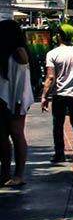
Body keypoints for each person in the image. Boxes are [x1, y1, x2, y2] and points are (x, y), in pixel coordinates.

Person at [42, 23, 73, 164]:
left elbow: (50, 77)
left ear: (59, 36)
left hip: (60, 94)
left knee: (58, 123)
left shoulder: (53, 53)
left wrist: (45, 96)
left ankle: (59, 153)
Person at [1, 19, 34, 187]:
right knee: (4, 136)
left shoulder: (19, 52)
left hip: (15, 99)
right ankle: (5, 173)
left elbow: (21, 81)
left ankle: (18, 174)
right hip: (6, 99)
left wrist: (18, 102)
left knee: (16, 134)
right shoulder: (7, 52)